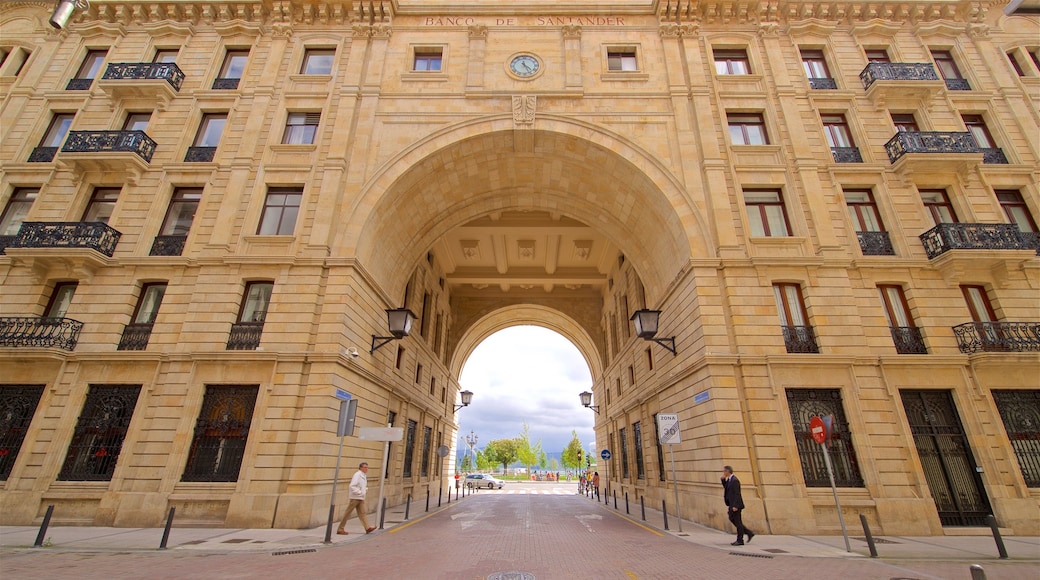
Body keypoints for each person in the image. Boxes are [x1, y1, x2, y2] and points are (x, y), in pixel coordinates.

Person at [337, 462, 375, 535]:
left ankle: (367, 528)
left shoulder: (363, 475)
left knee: (362, 513)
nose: (366, 469)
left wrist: (365, 490)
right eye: (365, 467)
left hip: (360, 498)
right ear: (361, 468)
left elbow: (363, 485)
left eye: (367, 467)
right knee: (347, 513)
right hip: (355, 497)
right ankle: (340, 529)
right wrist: (360, 492)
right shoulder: (357, 475)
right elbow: (352, 486)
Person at [721, 465, 754, 546]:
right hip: (731, 504)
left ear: (727, 471)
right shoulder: (729, 480)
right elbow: (727, 488)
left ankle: (740, 540)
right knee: (732, 518)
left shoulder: (734, 480)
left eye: (724, 471)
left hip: (736, 505)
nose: (723, 473)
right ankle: (749, 533)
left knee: (738, 522)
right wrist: (723, 480)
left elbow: (737, 494)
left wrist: (735, 506)